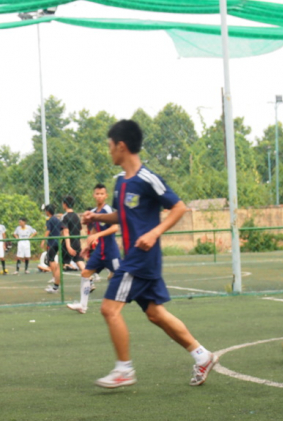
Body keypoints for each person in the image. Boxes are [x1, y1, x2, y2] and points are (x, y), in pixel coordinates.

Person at [82, 120, 217, 389]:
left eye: (110, 146)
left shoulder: (147, 178)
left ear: (122, 146)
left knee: (109, 309)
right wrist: (96, 216)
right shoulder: (120, 182)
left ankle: (124, 370)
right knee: (155, 313)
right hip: (138, 257)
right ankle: (202, 355)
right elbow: (121, 215)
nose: (109, 152)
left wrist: (155, 232)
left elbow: (179, 208)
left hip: (140, 257)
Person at [67, 184, 121, 314]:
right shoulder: (95, 212)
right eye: (97, 193)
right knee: (85, 274)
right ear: (94, 195)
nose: (99, 196)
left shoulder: (107, 210)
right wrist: (87, 247)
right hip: (99, 252)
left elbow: (115, 228)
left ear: (106, 196)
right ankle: (82, 306)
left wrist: (97, 235)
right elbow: (95, 229)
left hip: (111, 251)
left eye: (102, 194)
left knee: (120, 277)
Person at [41, 205, 63, 293]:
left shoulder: (49, 220)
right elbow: (61, 229)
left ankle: (54, 277)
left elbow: (48, 231)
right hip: (58, 241)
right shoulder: (58, 220)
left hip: (51, 242)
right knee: (52, 259)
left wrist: (43, 241)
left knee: (51, 260)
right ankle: (55, 277)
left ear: (48, 211)